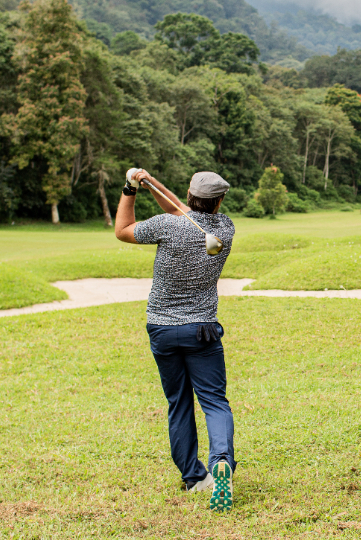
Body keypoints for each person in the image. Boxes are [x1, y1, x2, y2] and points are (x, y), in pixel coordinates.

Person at [114, 168, 237, 511]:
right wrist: (152, 182)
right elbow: (182, 211)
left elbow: (123, 231)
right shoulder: (225, 227)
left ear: (189, 194)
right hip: (202, 331)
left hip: (163, 330)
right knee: (214, 401)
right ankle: (221, 462)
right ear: (220, 201)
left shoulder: (169, 226)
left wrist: (131, 187)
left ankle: (194, 477)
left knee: (178, 402)